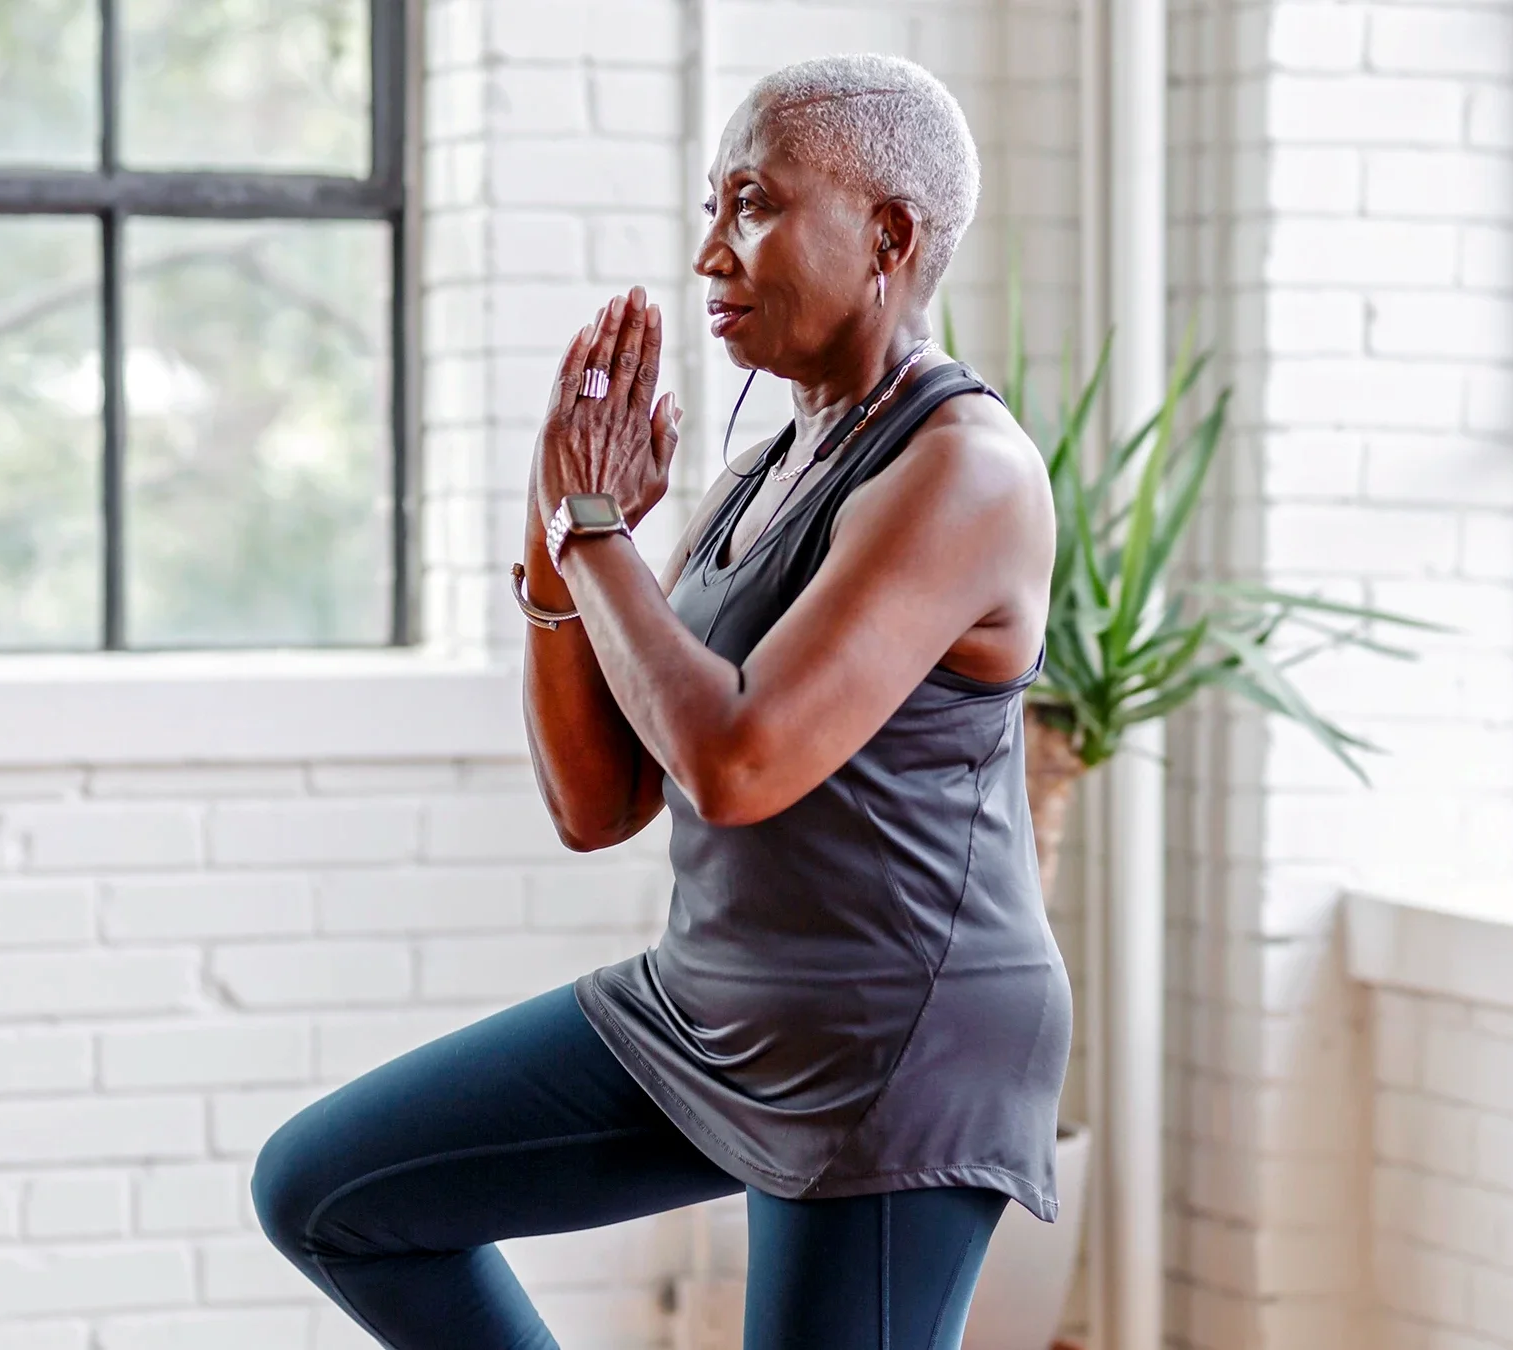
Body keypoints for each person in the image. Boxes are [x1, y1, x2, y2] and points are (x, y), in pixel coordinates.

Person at [254, 53, 1070, 1348]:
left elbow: (737, 762)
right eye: (711, 206)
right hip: (714, 1008)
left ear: (889, 236)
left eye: (754, 204)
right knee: (329, 1192)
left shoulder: (965, 469)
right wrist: (559, 543)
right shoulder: (760, 473)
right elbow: (602, 801)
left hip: (890, 1042)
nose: (710, 253)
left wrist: (593, 530)